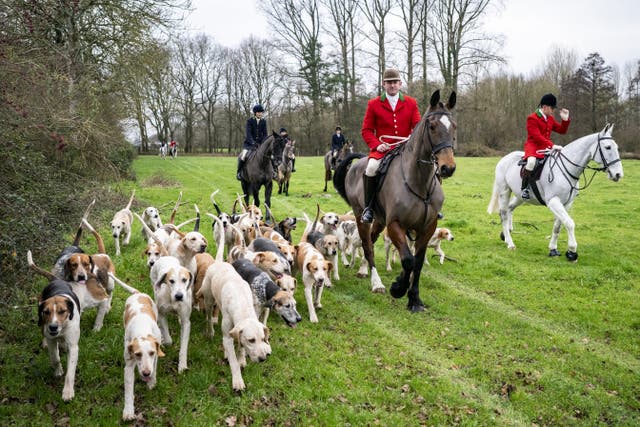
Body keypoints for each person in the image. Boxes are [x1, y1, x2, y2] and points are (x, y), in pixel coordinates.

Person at [360, 68, 421, 223]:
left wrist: (412, 140)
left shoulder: (411, 103)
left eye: (395, 82)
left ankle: (432, 205)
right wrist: (377, 145)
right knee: (371, 168)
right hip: (383, 150)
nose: (392, 85)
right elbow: (366, 130)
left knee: (430, 165)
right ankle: (369, 208)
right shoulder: (373, 104)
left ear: (400, 84)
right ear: (384, 84)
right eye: (389, 83)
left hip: (406, 149)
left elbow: (418, 127)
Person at [521, 93, 570, 199]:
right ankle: (525, 188)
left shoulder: (550, 119)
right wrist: (552, 145)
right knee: (531, 163)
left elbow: (562, 130)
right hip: (533, 147)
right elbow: (537, 137)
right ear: (544, 107)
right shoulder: (532, 118)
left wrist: (565, 120)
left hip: (545, 147)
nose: (553, 110)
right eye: (552, 108)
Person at [237, 104, 268, 180]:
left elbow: (265, 134)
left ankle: (273, 172)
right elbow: (248, 134)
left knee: (269, 156)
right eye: (259, 112)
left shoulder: (263, 121)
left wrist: (262, 143)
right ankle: (239, 172)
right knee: (242, 156)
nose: (260, 114)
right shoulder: (250, 121)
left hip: (260, 145)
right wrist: (253, 142)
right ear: (255, 113)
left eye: (261, 112)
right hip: (249, 144)